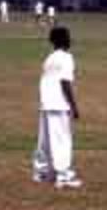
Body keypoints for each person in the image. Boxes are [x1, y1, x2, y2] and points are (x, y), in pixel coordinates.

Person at [32, 26, 82, 189]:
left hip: (46, 103)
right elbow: (65, 82)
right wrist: (74, 106)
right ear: (64, 40)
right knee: (62, 141)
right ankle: (64, 176)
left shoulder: (49, 58)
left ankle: (42, 172)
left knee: (44, 142)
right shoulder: (67, 57)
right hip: (59, 104)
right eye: (68, 37)